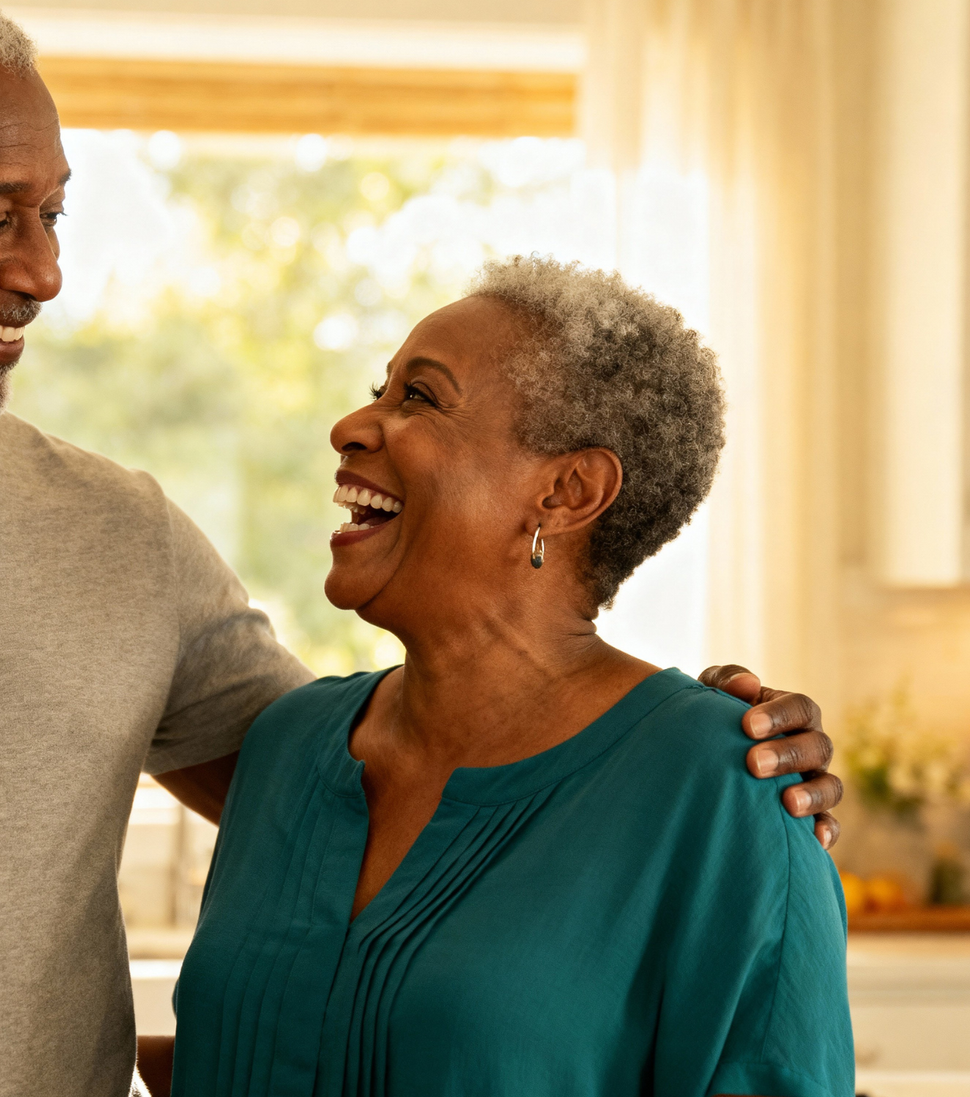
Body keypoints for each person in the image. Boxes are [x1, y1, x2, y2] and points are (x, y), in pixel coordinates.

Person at [0, 0, 840, 1096]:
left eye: (52, 210)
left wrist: (713, 761)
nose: (43, 270)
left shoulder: (118, 534)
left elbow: (433, 799)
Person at [140, 259, 853, 1097]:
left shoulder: (730, 788)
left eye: (421, 398)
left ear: (567, 490)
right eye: (382, 389)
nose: (351, 425)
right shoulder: (290, 746)